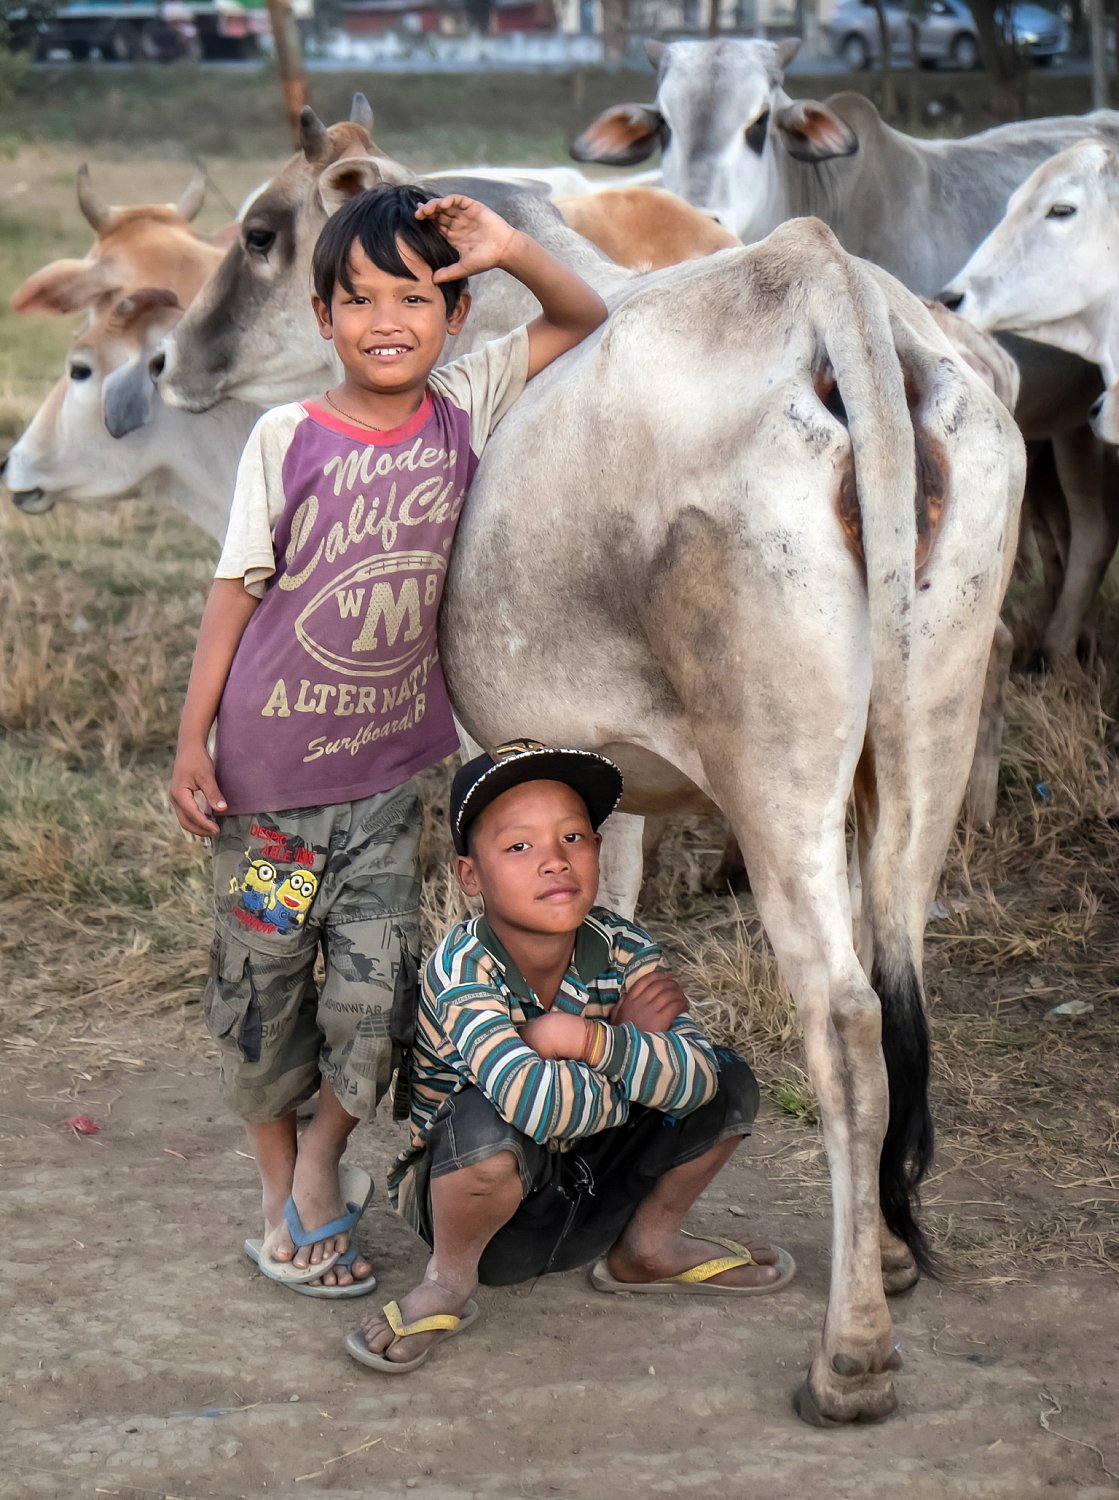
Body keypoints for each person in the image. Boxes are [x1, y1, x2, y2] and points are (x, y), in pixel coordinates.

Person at [169, 187, 608, 1298]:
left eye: (415, 296)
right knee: (268, 998)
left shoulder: (464, 402)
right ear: (321, 318)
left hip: (387, 793)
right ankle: (282, 1207)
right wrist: (191, 741)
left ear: (453, 319)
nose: (386, 319)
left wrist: (507, 249)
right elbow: (233, 596)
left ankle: (321, 1167)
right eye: (357, 298)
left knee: (375, 1001)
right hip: (268, 800)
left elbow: (580, 315)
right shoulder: (287, 437)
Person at [346, 741, 794, 1371]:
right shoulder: (461, 966)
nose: (554, 861)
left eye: (574, 837)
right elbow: (535, 1107)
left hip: (590, 1192)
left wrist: (580, 1040)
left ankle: (647, 1248)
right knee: (488, 1125)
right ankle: (447, 1282)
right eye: (519, 846)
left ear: (599, 851)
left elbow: (695, 1081)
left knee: (729, 1078)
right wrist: (630, 1057)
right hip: (491, 1219)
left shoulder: (621, 942)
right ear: (470, 876)